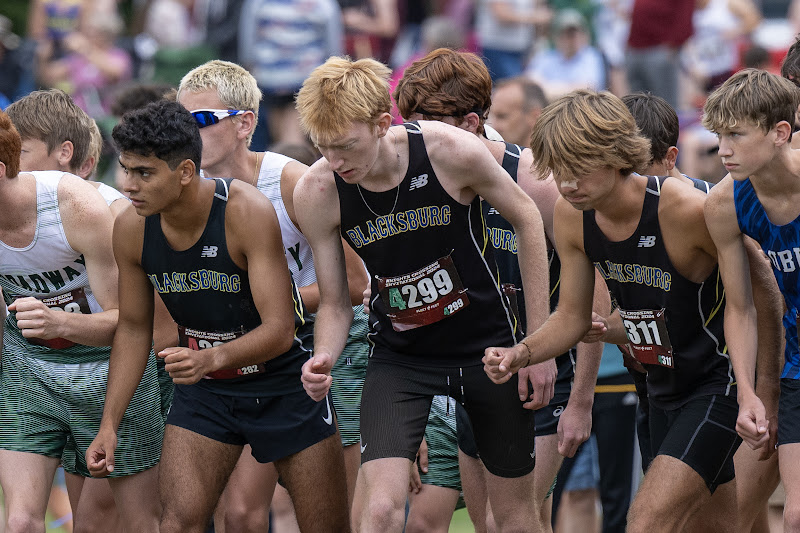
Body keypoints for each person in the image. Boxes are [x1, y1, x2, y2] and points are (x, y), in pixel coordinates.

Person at [483, 89, 776, 532]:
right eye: (558, 170)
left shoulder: (685, 208)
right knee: (720, 526)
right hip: (658, 387)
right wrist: (522, 353)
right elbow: (573, 317)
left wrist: (763, 389)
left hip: (717, 386)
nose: (566, 183)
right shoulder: (571, 214)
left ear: (616, 153)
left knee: (645, 521)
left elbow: (760, 295)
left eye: (579, 168)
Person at [295, 55, 551, 532]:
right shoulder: (318, 191)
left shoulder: (449, 151)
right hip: (401, 358)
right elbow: (334, 302)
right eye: (324, 147)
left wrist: (536, 346)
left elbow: (528, 218)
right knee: (378, 511)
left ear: (380, 124)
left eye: (346, 146)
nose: (335, 162)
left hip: (487, 350)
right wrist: (323, 356)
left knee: (512, 517)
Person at [85, 99, 350, 533]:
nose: (128, 186)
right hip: (207, 392)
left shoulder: (244, 210)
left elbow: (281, 330)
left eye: (144, 173)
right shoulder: (132, 227)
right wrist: (109, 424)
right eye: (127, 170)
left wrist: (210, 357)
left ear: (185, 172)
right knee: (178, 523)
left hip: (282, 382)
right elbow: (134, 328)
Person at [393, 47, 605, 532]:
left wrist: (581, 401)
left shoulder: (538, 181)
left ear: (469, 123)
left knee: (508, 519)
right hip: (477, 377)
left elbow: (594, 297)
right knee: (496, 524)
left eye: (423, 122)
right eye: (407, 122)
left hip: (547, 376)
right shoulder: (425, 182)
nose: (411, 136)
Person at [175, 59, 368, 532]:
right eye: (180, 121)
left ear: (244, 123)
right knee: (239, 513)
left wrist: (279, 309)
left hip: (321, 350)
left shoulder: (290, 183)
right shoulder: (186, 188)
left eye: (200, 121)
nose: (186, 134)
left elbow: (357, 284)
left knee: (329, 517)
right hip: (244, 356)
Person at [4, 89, 165, 533]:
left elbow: (140, 324)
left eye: (25, 149)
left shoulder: (97, 208)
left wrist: (62, 322)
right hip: (38, 374)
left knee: (103, 519)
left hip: (112, 371)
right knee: (42, 521)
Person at [702, 68, 800, 533]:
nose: (723, 149)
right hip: (798, 363)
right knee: (795, 516)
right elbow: (739, 308)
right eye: (719, 136)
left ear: (780, 132)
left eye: (736, 135)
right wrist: (748, 393)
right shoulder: (725, 205)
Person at [488, 76, 547, 148]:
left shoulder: (558, 158)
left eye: (502, 116)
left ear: (534, 116)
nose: (494, 127)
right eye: (492, 116)